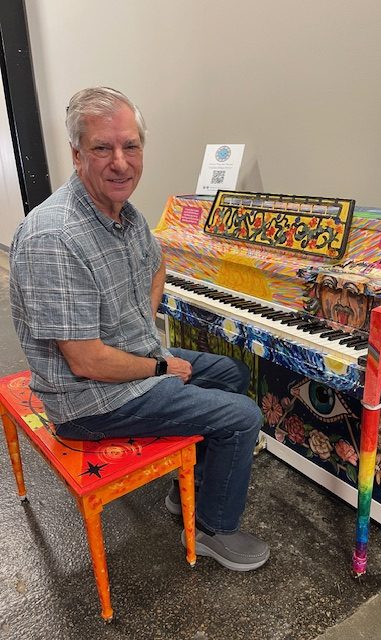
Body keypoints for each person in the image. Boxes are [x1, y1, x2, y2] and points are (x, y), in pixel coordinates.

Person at [9, 86, 269, 572]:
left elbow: (156, 265)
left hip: (132, 365)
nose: (120, 162)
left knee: (231, 373)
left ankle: (184, 490)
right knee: (242, 415)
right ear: (76, 154)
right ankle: (215, 530)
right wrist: (159, 365)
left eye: (131, 146)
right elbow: (85, 361)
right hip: (89, 400)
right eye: (102, 148)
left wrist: (145, 327)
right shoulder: (55, 237)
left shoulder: (127, 215)